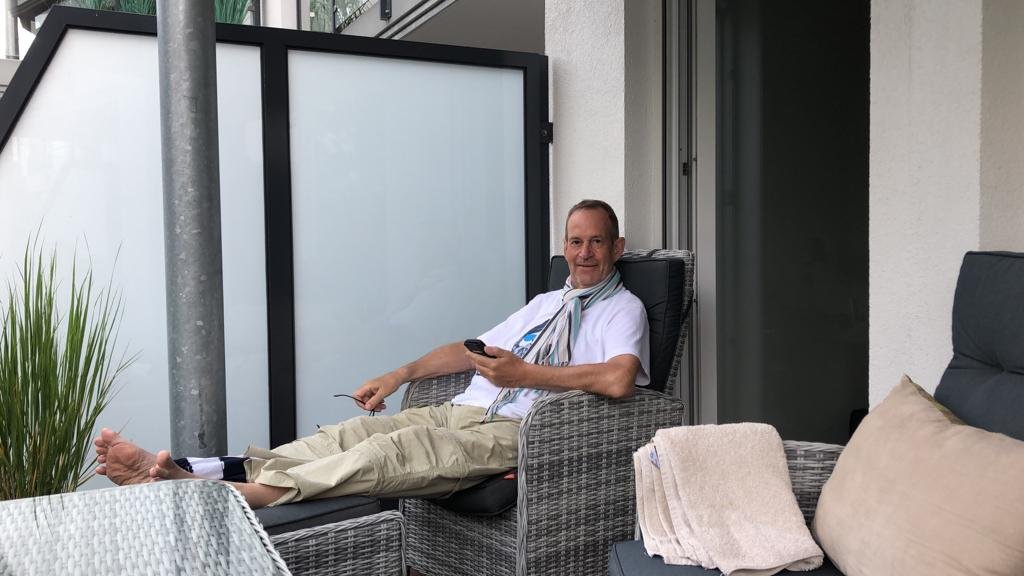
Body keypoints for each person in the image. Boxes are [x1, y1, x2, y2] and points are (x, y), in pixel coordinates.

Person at [95, 199, 650, 509]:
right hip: (461, 409)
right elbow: (469, 350)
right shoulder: (547, 302)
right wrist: (399, 373)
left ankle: (223, 495)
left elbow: (620, 379)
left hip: (517, 429)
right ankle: (197, 466)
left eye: (596, 241)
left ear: (617, 247)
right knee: (347, 435)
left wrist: (525, 373)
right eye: (575, 241)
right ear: (564, 247)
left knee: (388, 452)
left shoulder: (622, 309)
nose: (584, 253)